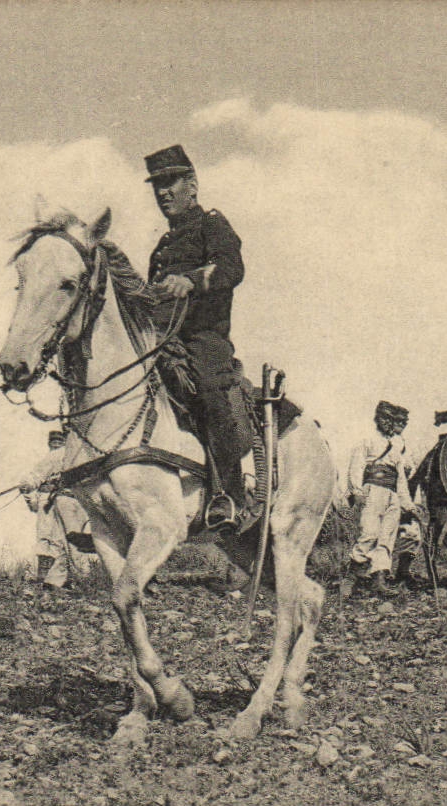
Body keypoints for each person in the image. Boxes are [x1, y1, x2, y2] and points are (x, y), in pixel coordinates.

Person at [143, 144, 256, 533]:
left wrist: (190, 280)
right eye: (157, 185)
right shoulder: (163, 246)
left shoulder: (212, 224)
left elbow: (231, 267)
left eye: (170, 182)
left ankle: (229, 497)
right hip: (163, 341)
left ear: (192, 185)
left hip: (204, 339)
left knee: (208, 390)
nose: (162, 192)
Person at [347, 401, 417, 593]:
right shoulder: (367, 440)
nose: (387, 423)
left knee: (386, 538)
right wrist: (356, 491)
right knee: (369, 533)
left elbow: (401, 478)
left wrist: (407, 504)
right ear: (376, 419)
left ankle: (379, 580)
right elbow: (357, 466)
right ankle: (354, 575)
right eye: (383, 418)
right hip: (373, 490)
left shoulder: (396, 447)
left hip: (392, 494)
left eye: (390, 419)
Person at [22, 430, 93, 588]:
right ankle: (63, 578)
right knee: (63, 538)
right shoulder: (83, 454)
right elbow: (35, 478)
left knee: (60, 538)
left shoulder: (64, 454)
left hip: (67, 500)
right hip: (67, 501)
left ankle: (59, 579)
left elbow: (32, 478)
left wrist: (26, 486)